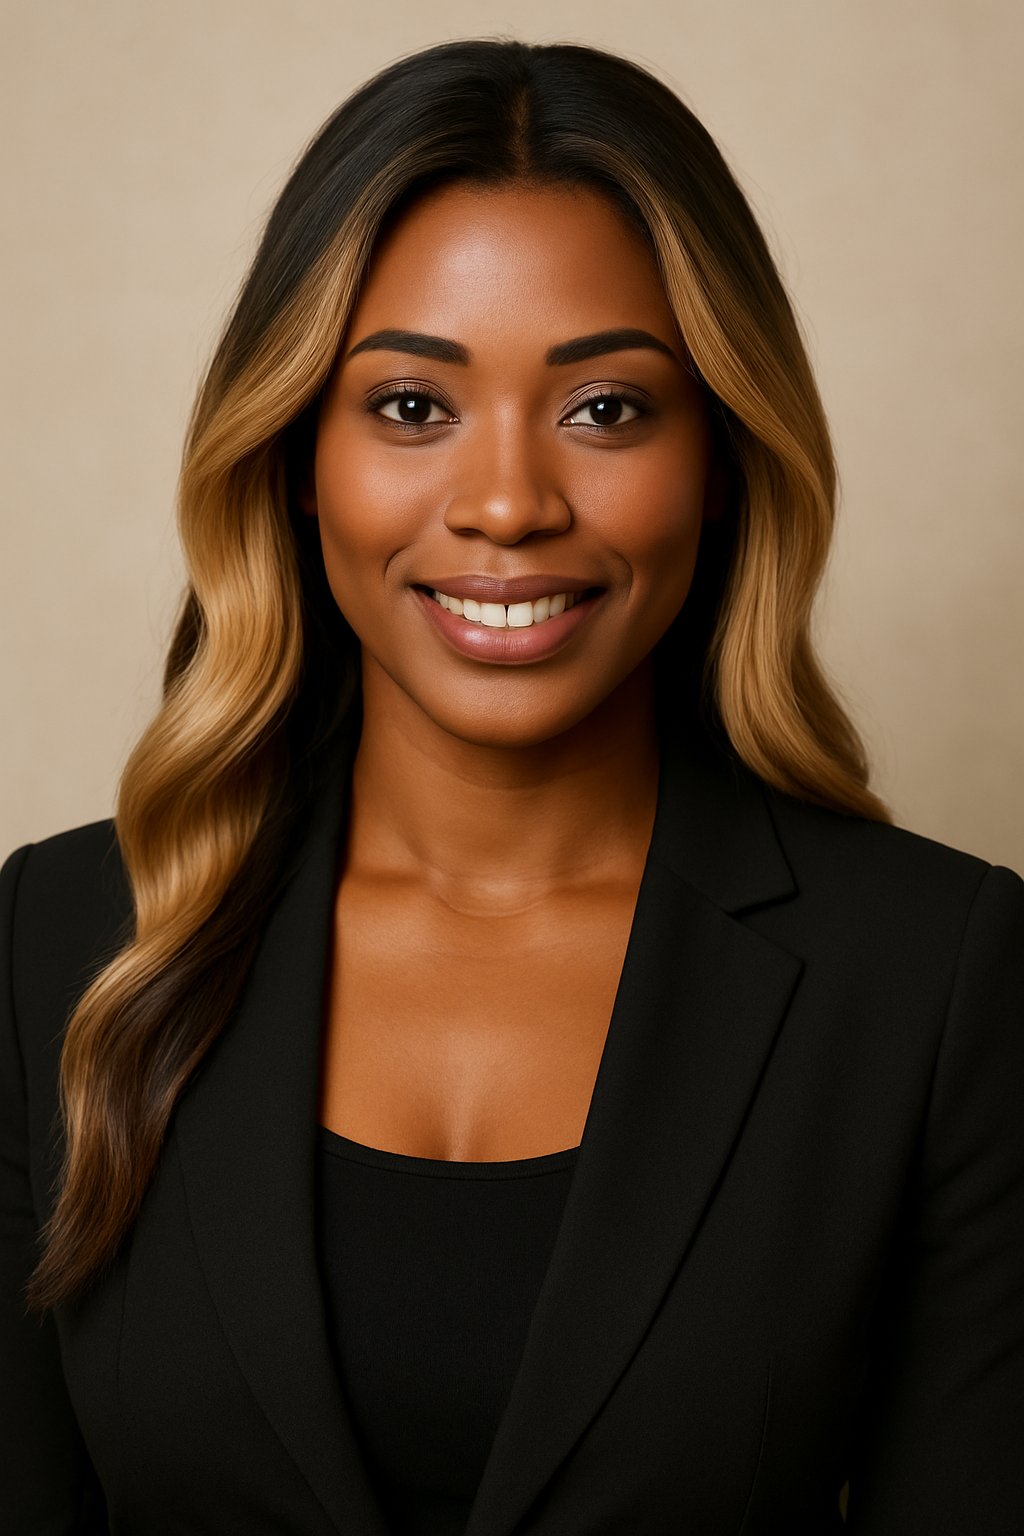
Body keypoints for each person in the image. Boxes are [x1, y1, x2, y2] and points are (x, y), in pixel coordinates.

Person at [2, 37, 1022, 1536]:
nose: (505, 503)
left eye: (606, 408)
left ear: (723, 455)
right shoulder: (61, 943)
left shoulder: (937, 981)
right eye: (411, 405)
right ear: (295, 451)